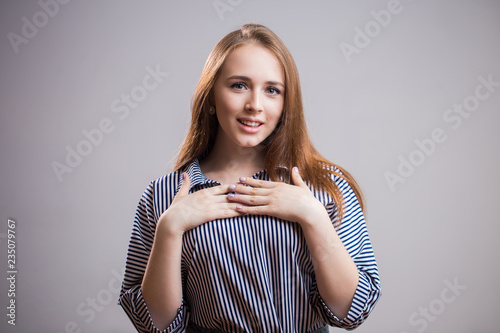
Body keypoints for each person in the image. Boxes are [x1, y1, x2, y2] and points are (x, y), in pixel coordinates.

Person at [118, 23, 381, 333]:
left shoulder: (325, 187)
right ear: (211, 95)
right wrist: (170, 228)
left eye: (272, 90)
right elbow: (153, 326)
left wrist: (313, 217)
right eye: (239, 85)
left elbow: (353, 310)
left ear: (285, 104)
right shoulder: (163, 196)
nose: (255, 104)